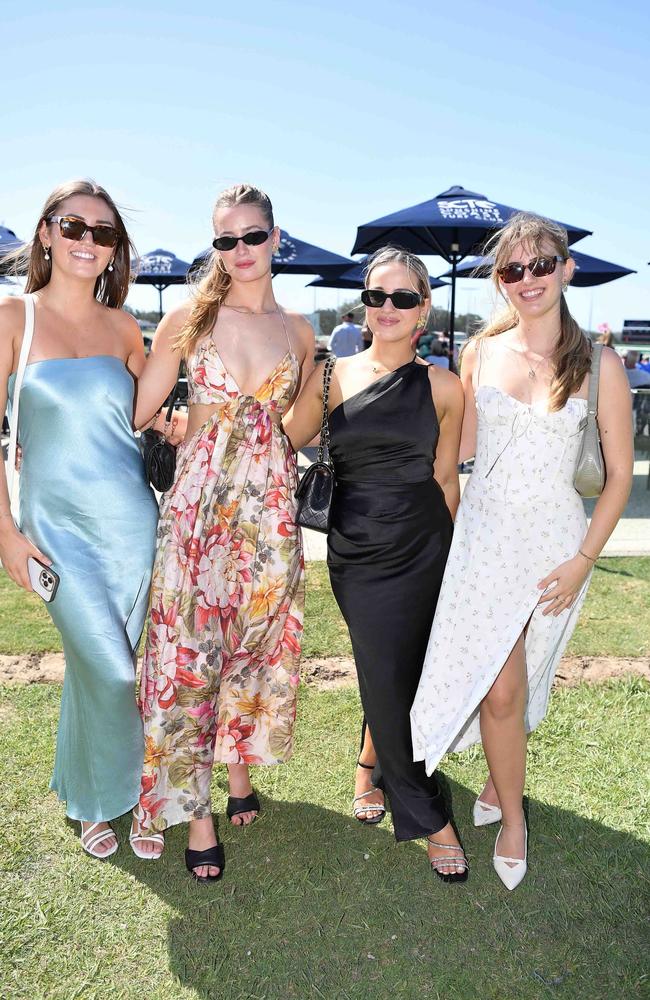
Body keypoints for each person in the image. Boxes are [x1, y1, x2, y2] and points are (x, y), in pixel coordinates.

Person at [411, 212, 634, 890]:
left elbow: (620, 476)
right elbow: (461, 452)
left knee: (525, 674)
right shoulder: (481, 351)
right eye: (513, 269)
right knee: (501, 687)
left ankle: (496, 779)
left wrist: (584, 560)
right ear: (499, 281)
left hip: (555, 546)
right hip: (484, 539)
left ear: (566, 270)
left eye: (542, 265)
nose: (529, 279)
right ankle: (514, 819)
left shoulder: (601, 363)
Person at [132, 184, 315, 882]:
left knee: (254, 646)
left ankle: (240, 775)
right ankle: (197, 811)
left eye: (253, 236)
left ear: (275, 237)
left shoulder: (300, 332)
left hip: (268, 513)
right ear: (216, 248)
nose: (240, 251)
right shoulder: (189, 315)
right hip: (199, 513)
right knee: (191, 655)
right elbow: (142, 406)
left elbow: (297, 429)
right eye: (226, 240)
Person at [285, 248, 469, 881]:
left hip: (425, 543)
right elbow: (281, 438)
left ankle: (369, 765)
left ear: (424, 308)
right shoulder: (331, 375)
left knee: (405, 670)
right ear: (364, 303)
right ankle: (426, 813)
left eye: (403, 298)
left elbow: (446, 479)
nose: (387, 308)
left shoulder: (445, 387)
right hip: (358, 547)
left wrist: (453, 558)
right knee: (383, 665)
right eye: (377, 296)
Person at [0, 180, 160, 858]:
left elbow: (145, 416)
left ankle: (100, 788)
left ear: (116, 247)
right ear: (45, 234)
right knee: (112, 669)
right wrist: (5, 533)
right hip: (55, 527)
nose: (87, 241)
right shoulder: (14, 318)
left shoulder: (126, 326)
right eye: (73, 226)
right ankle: (104, 795)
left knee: (107, 666)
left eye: (103, 232)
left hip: (131, 524)